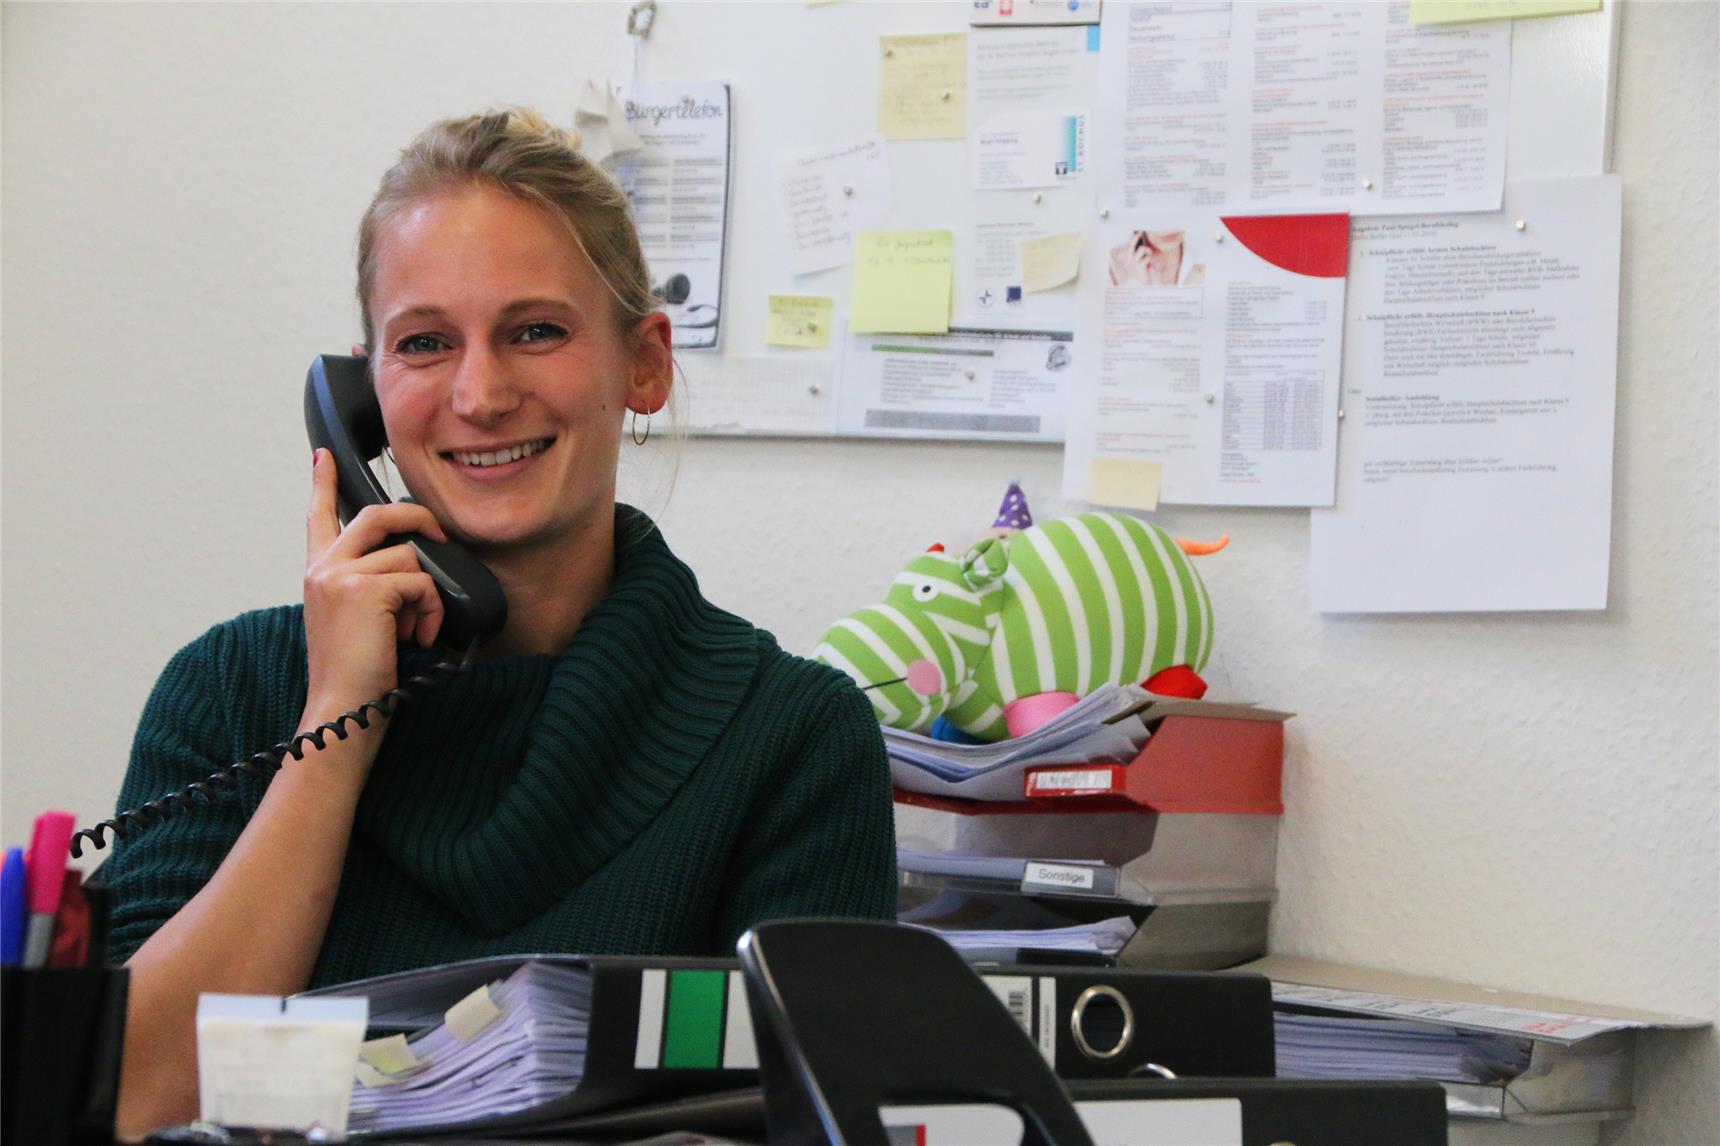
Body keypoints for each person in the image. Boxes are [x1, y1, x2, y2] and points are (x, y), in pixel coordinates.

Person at [101, 108, 896, 1136]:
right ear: (360, 398)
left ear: (644, 364)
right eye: (425, 343)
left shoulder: (792, 737)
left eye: (535, 331)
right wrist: (336, 722)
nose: (479, 395)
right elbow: (138, 1101)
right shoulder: (228, 692)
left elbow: (808, 1119)